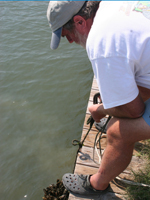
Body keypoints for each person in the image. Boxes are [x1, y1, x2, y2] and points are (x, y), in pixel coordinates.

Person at [47, 1, 150, 196]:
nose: (70, 41)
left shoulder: (101, 42)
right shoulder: (112, 4)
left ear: (79, 22)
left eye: (67, 35)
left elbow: (134, 110)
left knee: (117, 132)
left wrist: (100, 110)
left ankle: (97, 185)